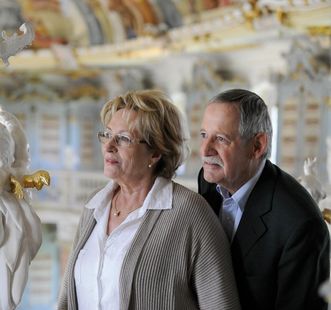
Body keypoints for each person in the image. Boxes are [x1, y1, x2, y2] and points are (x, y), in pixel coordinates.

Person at [58, 89, 241, 310]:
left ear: (155, 152)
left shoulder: (190, 213)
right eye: (107, 135)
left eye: (123, 138)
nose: (108, 146)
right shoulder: (94, 204)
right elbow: (69, 298)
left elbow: (220, 304)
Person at [198, 88, 330, 310]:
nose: (205, 150)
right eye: (203, 135)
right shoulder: (210, 179)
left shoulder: (300, 226)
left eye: (220, 138)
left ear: (258, 145)